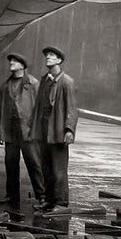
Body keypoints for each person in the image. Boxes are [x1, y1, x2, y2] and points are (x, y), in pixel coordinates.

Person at [0, 52, 44, 211]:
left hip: (28, 131)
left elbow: (40, 108)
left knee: (34, 164)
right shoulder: (5, 85)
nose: (11, 63)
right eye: (11, 61)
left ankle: (42, 196)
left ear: (22, 65)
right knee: (10, 163)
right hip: (10, 131)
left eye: (15, 61)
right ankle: (12, 195)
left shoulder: (33, 83)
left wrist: (37, 130)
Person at [34, 46, 77, 212]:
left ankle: (61, 203)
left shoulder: (66, 81)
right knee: (46, 168)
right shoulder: (45, 80)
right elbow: (39, 107)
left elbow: (72, 108)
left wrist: (69, 129)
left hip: (58, 131)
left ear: (59, 60)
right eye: (47, 55)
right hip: (45, 131)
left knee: (59, 170)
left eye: (52, 55)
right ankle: (50, 200)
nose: (48, 57)